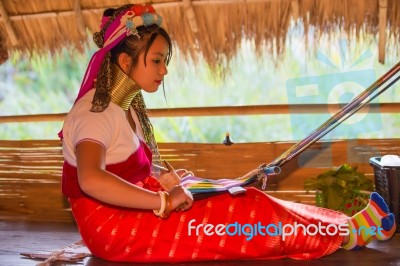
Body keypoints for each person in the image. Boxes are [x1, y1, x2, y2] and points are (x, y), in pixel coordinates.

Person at [60, 4, 396, 263]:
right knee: (247, 216)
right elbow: (90, 179)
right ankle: (345, 233)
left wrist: (162, 179)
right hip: (115, 231)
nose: (165, 70)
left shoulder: (125, 106)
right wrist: (161, 199)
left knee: (236, 193)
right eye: (157, 60)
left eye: (166, 61)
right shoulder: (96, 111)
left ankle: (341, 227)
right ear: (124, 62)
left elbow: (124, 166)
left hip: (130, 211)